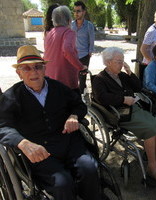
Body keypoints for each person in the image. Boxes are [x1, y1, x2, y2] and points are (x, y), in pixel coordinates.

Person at [0, 45, 101, 200]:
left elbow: (79, 105)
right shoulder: (11, 97)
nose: (34, 72)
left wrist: (74, 116)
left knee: (90, 170)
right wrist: (22, 142)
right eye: (26, 69)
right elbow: (3, 125)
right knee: (62, 184)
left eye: (38, 67)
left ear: (44, 69)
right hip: (40, 151)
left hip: (69, 142)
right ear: (19, 73)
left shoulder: (59, 87)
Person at [92, 47, 156, 183]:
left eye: (123, 61)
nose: (122, 63)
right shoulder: (99, 79)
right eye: (119, 61)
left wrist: (130, 72)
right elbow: (102, 98)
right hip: (120, 114)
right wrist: (123, 99)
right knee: (150, 130)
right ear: (108, 62)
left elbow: (138, 87)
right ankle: (152, 166)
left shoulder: (121, 74)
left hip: (133, 109)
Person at [44, 5, 86, 93]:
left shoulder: (50, 33)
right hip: (65, 78)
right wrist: (81, 67)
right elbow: (67, 49)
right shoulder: (68, 32)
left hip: (51, 77)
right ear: (69, 20)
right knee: (75, 103)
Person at [71, 1, 95, 94]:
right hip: (73, 55)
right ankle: (81, 89)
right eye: (75, 11)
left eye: (78, 11)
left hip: (84, 55)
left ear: (83, 12)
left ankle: (81, 96)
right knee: (74, 76)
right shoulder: (71, 25)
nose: (76, 13)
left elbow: (91, 40)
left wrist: (90, 52)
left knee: (82, 77)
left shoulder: (89, 25)